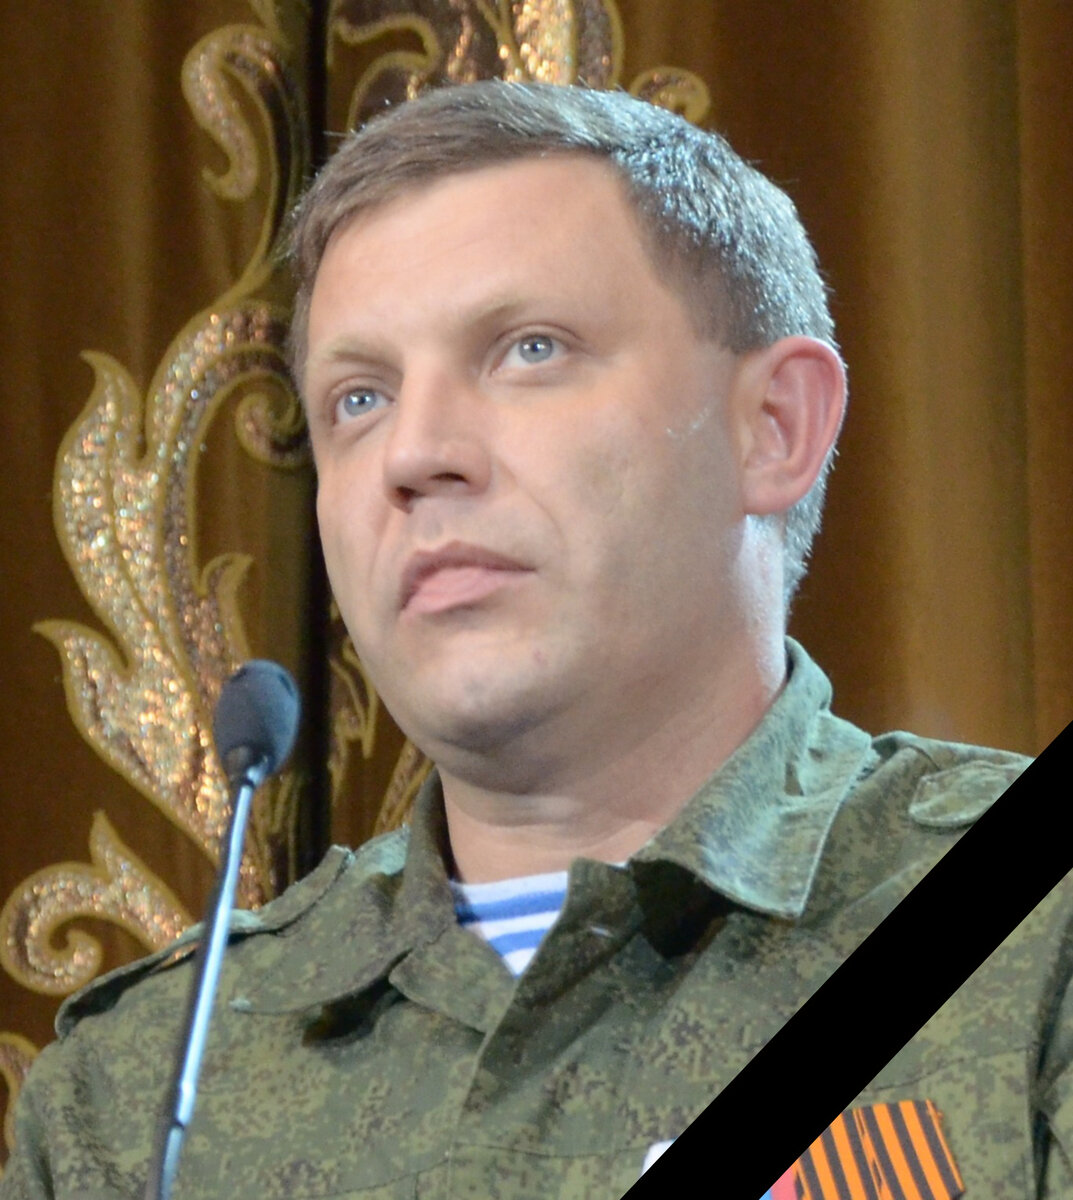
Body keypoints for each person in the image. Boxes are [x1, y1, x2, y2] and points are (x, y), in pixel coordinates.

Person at [1, 81, 1064, 1200]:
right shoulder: (136, 1090)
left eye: (528, 350)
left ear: (772, 427)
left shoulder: (1041, 940)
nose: (414, 454)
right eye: (357, 399)